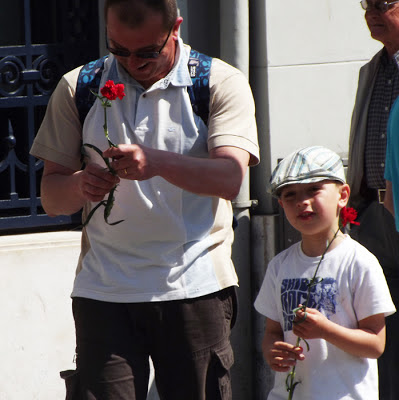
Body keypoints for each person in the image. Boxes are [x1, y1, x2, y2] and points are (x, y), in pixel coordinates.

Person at [30, 0, 260, 399]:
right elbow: (51, 197)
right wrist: (81, 184)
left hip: (194, 286)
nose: (130, 63)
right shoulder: (79, 86)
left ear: (176, 29)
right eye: (117, 49)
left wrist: (155, 162)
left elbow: (230, 178)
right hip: (105, 290)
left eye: (147, 52)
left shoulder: (217, 81)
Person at [255, 146, 395, 400]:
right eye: (290, 195)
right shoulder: (279, 265)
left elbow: (376, 344)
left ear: (343, 195)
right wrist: (272, 351)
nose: (301, 201)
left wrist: (326, 330)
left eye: (313, 190)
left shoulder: (360, 262)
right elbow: (272, 332)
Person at [347, 1, 399, 398]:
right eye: (368, 4)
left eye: (384, 3)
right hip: (371, 215)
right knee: (379, 322)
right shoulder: (373, 69)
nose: (372, 12)